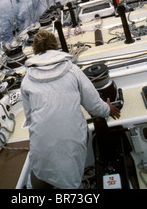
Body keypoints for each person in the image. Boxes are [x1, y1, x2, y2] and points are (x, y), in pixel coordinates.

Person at [20, 29, 121, 189]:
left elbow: (30, 118)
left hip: (41, 148)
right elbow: (94, 107)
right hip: (71, 143)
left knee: (40, 178)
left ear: (35, 49)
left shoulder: (26, 80)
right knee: (70, 182)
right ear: (56, 44)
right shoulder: (72, 70)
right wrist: (108, 109)